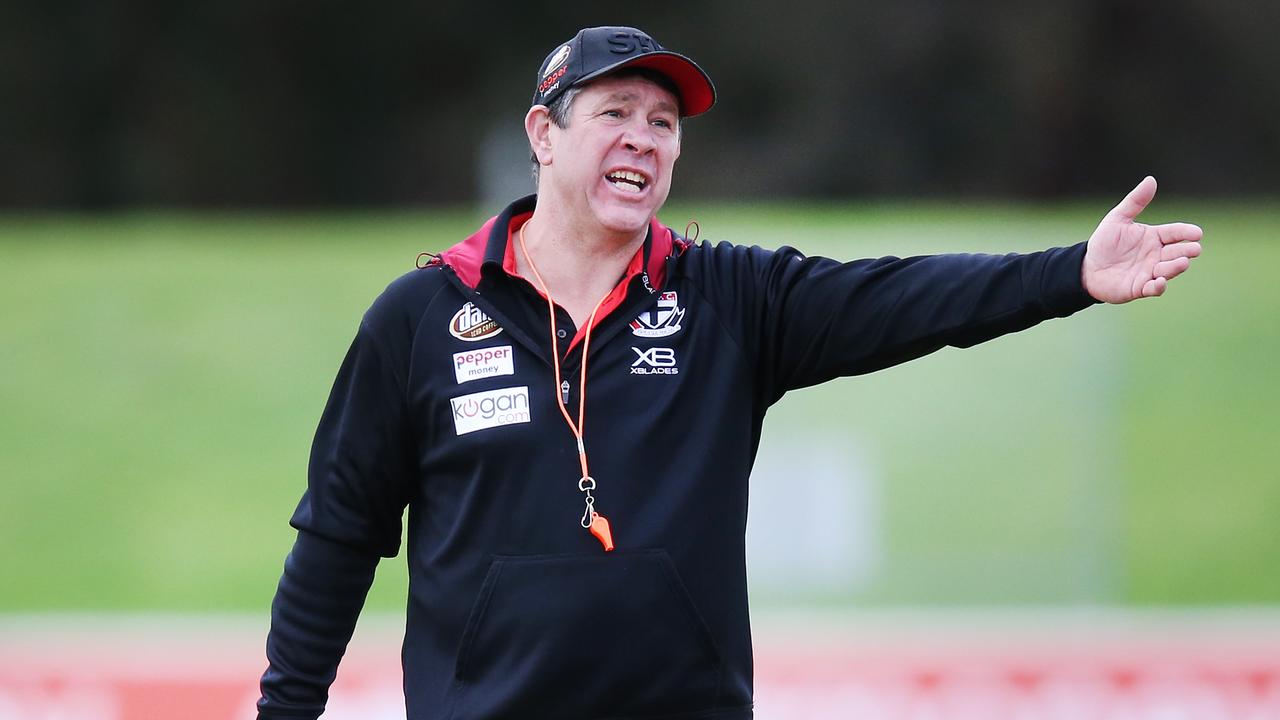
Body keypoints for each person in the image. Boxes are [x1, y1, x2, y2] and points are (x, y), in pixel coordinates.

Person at [256, 25, 1203, 720]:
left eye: (664, 122)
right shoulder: (419, 317)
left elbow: (900, 298)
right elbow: (336, 542)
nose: (646, 137)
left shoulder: (726, 296)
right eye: (615, 112)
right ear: (544, 136)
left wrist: (1068, 274)